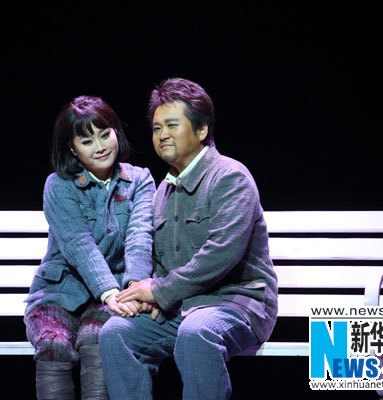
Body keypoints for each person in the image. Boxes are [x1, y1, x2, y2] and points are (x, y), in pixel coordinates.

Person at [99, 78, 279, 400]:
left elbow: (221, 254)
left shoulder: (230, 177)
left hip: (236, 303)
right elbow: (159, 259)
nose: (162, 135)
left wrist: (160, 291)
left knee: (196, 333)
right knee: (117, 333)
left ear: (201, 130)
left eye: (172, 125)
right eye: (156, 128)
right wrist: (150, 296)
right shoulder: (163, 191)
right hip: (184, 306)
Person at [24, 96, 156, 400]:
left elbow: (140, 237)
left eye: (104, 134)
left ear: (115, 132)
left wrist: (134, 288)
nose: (99, 146)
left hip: (116, 294)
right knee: (54, 344)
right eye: (86, 141)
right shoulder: (59, 185)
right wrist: (108, 292)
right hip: (59, 294)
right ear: (72, 148)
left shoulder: (139, 180)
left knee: (99, 338)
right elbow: (78, 244)